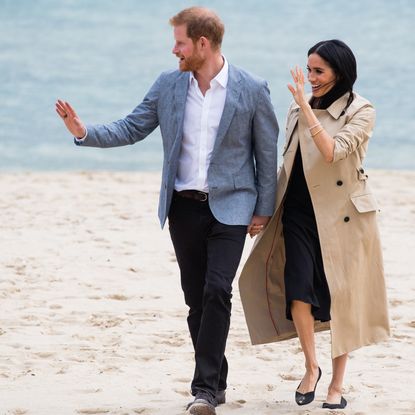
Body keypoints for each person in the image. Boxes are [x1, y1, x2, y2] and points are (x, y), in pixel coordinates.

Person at [55, 7, 279, 415]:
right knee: (196, 299)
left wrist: (264, 209)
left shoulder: (251, 88)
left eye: (180, 42)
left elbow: (266, 153)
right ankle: (218, 378)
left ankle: (204, 390)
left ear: (203, 44)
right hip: (183, 207)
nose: (173, 49)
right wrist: (84, 133)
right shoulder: (169, 85)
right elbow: (132, 126)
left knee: (217, 290)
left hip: (232, 207)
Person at [239, 39, 389, 410]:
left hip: (344, 216)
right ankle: (311, 366)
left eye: (319, 71)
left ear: (340, 72)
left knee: (342, 299)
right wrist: (264, 209)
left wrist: (306, 107)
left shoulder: (362, 110)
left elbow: (333, 151)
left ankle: (337, 386)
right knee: (298, 290)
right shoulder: (297, 106)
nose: (311, 78)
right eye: (309, 70)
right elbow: (286, 163)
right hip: (299, 212)